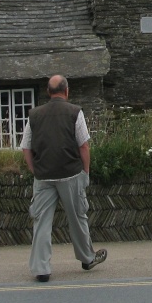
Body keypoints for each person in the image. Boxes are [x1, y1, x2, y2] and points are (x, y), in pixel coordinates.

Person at [21, 74, 107, 282]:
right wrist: (85, 172)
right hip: (70, 173)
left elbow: (26, 147)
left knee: (41, 222)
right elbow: (84, 145)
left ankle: (41, 269)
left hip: (44, 176)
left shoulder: (34, 115)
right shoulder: (75, 112)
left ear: (48, 92)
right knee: (77, 217)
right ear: (66, 91)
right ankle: (87, 258)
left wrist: (35, 170)